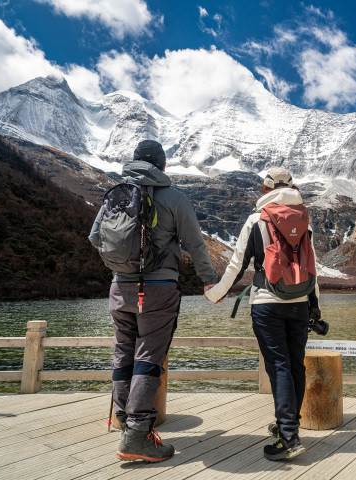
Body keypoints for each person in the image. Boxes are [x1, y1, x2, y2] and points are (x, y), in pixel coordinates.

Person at [89, 140, 218, 462]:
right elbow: (195, 244)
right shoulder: (174, 198)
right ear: (162, 167)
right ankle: (137, 435)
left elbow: (95, 238)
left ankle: (125, 425)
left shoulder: (116, 195)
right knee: (148, 358)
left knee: (123, 355)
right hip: (159, 289)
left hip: (120, 288)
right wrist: (209, 280)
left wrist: (123, 266)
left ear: (133, 163)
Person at [204, 167, 320, 461]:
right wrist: (314, 307)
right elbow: (311, 268)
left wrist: (216, 293)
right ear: (292, 188)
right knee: (295, 365)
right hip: (300, 302)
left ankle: (288, 434)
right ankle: (289, 425)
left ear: (264, 190)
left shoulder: (257, 219)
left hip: (267, 303)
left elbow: (237, 264)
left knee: (278, 366)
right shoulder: (304, 220)